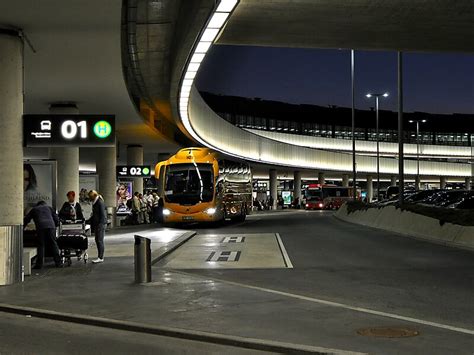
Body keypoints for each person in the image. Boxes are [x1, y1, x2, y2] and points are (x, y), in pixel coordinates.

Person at [23, 201, 62, 269]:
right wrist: (55, 225)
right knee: (53, 243)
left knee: (41, 245)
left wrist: (22, 228)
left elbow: (26, 219)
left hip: (41, 227)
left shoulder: (35, 209)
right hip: (51, 226)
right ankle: (58, 263)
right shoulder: (49, 208)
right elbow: (56, 219)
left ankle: (39, 264)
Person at [87, 190, 107, 263]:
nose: (89, 198)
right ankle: (100, 256)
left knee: (99, 240)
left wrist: (100, 224)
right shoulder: (97, 202)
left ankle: (100, 257)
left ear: (93, 196)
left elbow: (102, 215)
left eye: (90, 197)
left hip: (100, 224)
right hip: (98, 224)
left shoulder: (99, 202)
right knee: (98, 240)